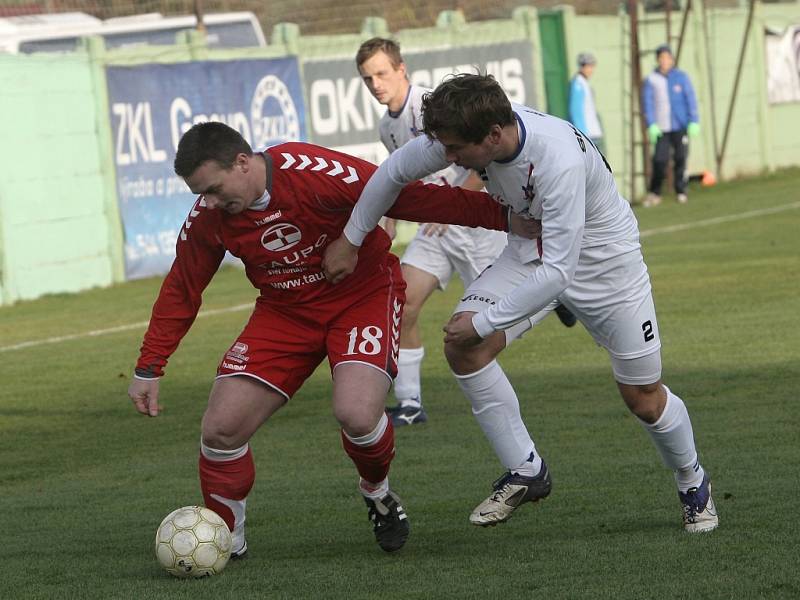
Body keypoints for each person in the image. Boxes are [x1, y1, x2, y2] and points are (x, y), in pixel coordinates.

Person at [323, 73, 718, 534]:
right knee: (463, 346)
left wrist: (487, 321)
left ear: (492, 136)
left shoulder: (557, 160)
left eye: (455, 151)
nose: (448, 159)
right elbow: (391, 173)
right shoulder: (469, 132)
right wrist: (351, 239)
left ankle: (692, 479)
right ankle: (527, 469)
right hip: (532, 249)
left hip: (604, 264)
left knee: (643, 398)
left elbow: (561, 271)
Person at [126, 121, 523, 556]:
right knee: (221, 429)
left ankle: (376, 490)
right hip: (285, 313)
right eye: (202, 194)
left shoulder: (311, 170)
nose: (212, 202)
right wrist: (150, 366)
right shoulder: (211, 216)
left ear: (242, 162)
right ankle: (225, 539)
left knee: (355, 413)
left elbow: (402, 195)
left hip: (363, 295)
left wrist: (504, 216)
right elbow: (183, 286)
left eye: (216, 189)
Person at [355, 38, 577, 427]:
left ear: (401, 69)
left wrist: (455, 203)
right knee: (402, 301)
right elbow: (400, 178)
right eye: (367, 78)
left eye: (381, 73)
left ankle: (554, 295)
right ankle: (409, 403)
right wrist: (386, 224)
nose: (376, 84)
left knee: (489, 328)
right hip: (435, 232)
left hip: (477, 226)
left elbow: (481, 162)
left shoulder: (431, 106)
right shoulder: (387, 127)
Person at [641, 44, 700, 206]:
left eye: (667, 58)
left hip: (680, 126)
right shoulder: (652, 79)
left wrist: (694, 120)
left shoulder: (681, 77)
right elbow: (647, 103)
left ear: (672, 59)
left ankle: (681, 190)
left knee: (681, 158)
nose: (665, 61)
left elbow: (690, 98)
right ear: (658, 60)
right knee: (660, 160)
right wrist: (651, 124)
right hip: (661, 128)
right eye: (661, 58)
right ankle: (655, 192)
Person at [568, 52, 604, 154]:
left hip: (593, 133)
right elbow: (576, 111)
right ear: (582, 66)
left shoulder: (584, 83)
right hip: (588, 134)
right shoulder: (578, 84)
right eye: (589, 66)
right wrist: (582, 135)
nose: (591, 70)